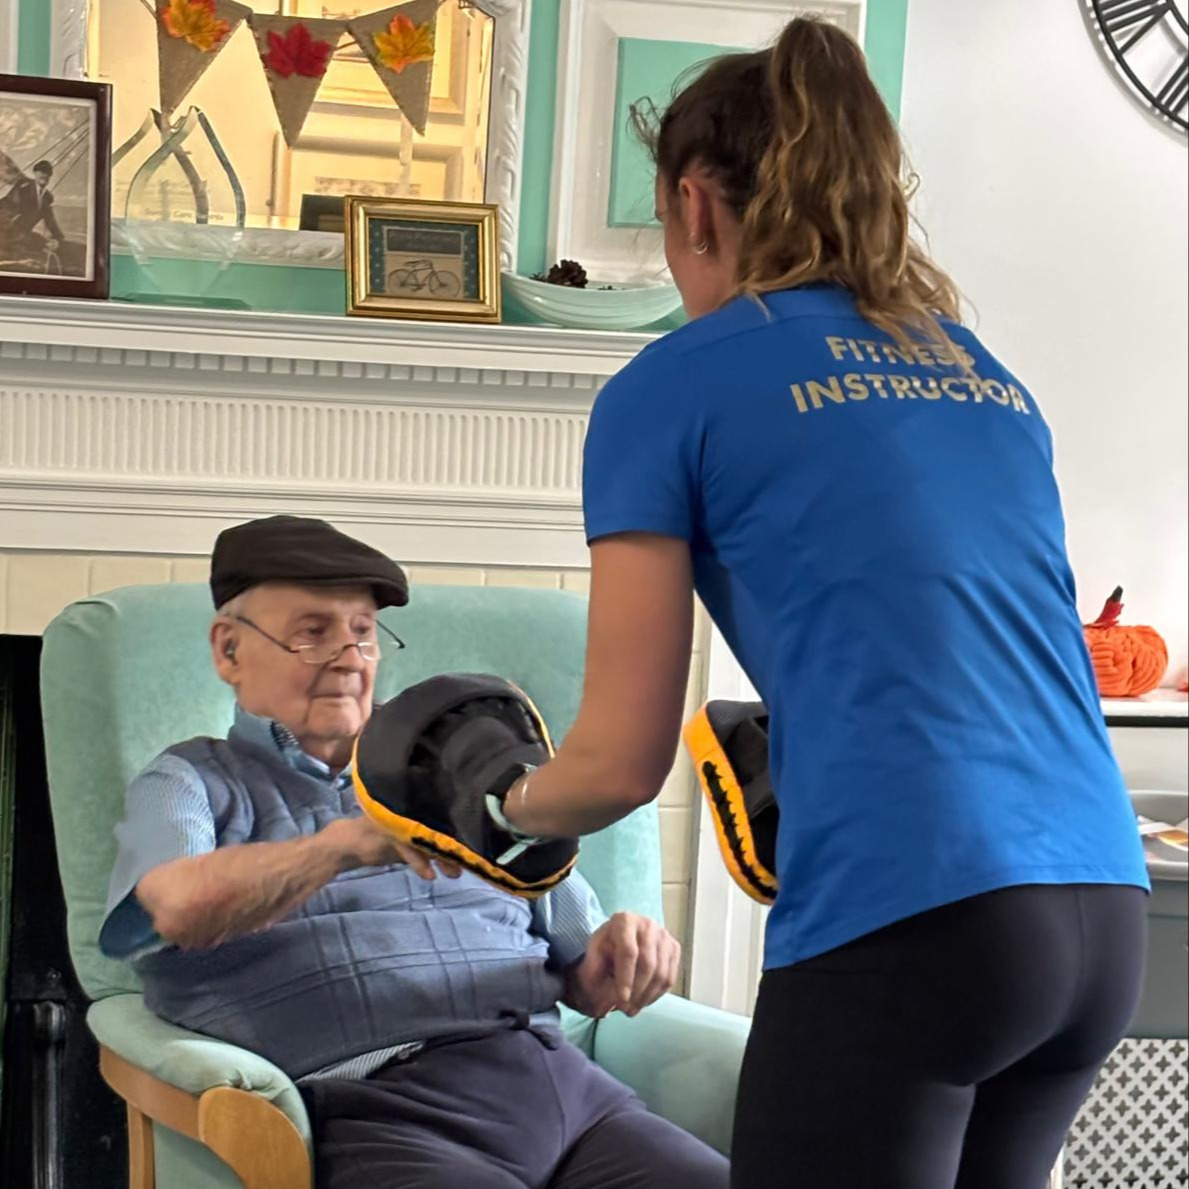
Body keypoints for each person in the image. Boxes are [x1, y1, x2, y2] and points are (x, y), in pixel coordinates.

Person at [489, 18, 1150, 1189]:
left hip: (919, 912)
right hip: (1100, 909)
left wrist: (496, 804)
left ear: (694, 205)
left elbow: (620, 762)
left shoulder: (671, 384)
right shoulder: (980, 373)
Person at [99, 514, 728, 1189]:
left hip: (562, 1090)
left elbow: (585, 978)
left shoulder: (462, 768)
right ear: (229, 650)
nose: (350, 658)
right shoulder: (189, 779)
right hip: (384, 1108)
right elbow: (172, 906)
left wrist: (621, 953)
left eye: (363, 633)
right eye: (312, 633)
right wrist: (340, 847)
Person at [0, 159, 65, 262]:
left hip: (23, 235)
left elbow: (50, 220)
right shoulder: (23, 187)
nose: (45, 175)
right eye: (42, 171)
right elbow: (7, 205)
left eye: (48, 173)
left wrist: (58, 238)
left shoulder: (47, 197)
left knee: (41, 246)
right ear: (35, 173)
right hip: (7, 232)